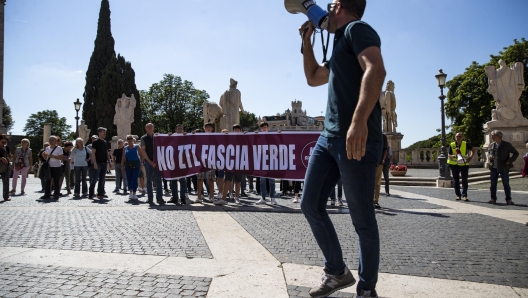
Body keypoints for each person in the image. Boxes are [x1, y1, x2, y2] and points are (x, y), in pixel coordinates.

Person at [298, 1, 386, 297]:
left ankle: (366, 290)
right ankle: (336, 272)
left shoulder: (356, 29)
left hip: (357, 138)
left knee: (362, 220)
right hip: (329, 138)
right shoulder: (336, 45)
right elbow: (313, 78)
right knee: (309, 204)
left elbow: (375, 69)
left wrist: (359, 121)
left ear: (338, 6)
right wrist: (306, 43)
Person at [487, 130, 519, 205]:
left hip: (503, 167)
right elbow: (489, 153)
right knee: (493, 184)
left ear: (499, 136)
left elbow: (516, 153)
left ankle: (509, 199)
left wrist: (510, 160)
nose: (492, 137)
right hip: (493, 167)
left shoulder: (506, 145)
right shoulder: (492, 145)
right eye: (491, 135)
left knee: (506, 184)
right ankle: (493, 198)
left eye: (493, 135)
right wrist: (490, 157)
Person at [141, 123, 166, 205]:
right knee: (148, 180)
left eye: (151, 126)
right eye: (148, 127)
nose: (150, 128)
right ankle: (150, 198)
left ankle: (159, 198)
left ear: (153, 128)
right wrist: (149, 161)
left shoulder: (158, 137)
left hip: (158, 162)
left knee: (159, 180)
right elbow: (143, 150)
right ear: (145, 128)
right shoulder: (143, 138)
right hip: (148, 162)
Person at [447, 132, 476, 201]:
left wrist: (470, 157)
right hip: (455, 165)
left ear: (462, 137)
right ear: (455, 137)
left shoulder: (465, 144)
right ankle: (458, 195)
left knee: (464, 181)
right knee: (456, 181)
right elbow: (449, 154)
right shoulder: (452, 144)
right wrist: (454, 156)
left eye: (460, 136)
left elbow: (473, 150)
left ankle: (464, 195)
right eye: (457, 136)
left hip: (464, 165)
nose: (458, 138)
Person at [255, 122, 277, 205]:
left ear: (268, 128)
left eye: (265, 127)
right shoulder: (259, 137)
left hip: (271, 161)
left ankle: (273, 198)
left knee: (272, 181)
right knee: (262, 181)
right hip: (262, 161)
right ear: (260, 129)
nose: (264, 129)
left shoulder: (272, 136)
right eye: (262, 128)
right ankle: (263, 198)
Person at [194, 123, 216, 204]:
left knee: (210, 179)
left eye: (210, 127)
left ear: (212, 129)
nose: (208, 129)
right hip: (201, 161)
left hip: (210, 160)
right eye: (207, 127)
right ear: (204, 129)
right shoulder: (200, 137)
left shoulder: (215, 137)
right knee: (199, 179)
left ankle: (211, 197)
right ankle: (199, 197)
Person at [168, 124, 188, 205]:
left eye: (181, 129)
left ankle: (183, 197)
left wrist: (190, 135)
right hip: (173, 161)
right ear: (175, 130)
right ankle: (175, 197)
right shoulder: (172, 137)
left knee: (182, 180)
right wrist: (168, 136)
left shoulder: (185, 137)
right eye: (178, 129)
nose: (180, 130)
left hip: (182, 161)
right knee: (173, 181)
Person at [89, 127, 110, 200]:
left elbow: (107, 152)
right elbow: (93, 153)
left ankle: (100, 194)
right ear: (99, 132)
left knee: (102, 179)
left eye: (105, 132)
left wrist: (109, 162)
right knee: (94, 179)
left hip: (104, 163)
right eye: (103, 132)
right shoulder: (95, 142)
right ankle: (91, 194)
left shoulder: (105, 142)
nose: (104, 133)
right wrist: (94, 163)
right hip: (98, 163)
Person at [42, 136, 65, 200]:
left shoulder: (59, 148)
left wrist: (52, 156)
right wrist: (44, 155)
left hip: (57, 166)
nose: (51, 141)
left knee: (56, 181)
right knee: (48, 180)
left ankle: (56, 194)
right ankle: (47, 194)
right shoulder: (47, 148)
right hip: (49, 166)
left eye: (52, 140)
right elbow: (46, 158)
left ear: (55, 141)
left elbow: (61, 157)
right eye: (50, 140)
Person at [122, 135, 143, 200]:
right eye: (128, 139)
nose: (130, 140)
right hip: (128, 166)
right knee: (129, 179)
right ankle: (130, 192)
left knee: (134, 179)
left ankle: (134, 193)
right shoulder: (125, 148)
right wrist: (122, 167)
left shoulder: (137, 147)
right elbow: (123, 158)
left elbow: (141, 155)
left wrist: (141, 164)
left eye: (131, 139)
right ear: (127, 140)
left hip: (136, 165)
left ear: (133, 140)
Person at [373, 134, 387, 209]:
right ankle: (369, 200)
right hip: (369, 162)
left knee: (377, 183)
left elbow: (385, 149)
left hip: (379, 163)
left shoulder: (383, 137)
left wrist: (383, 159)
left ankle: (375, 201)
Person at [0, 134, 11, 201]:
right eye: (2, 142)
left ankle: (6, 196)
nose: (4, 144)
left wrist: (8, 157)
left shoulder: (6, 147)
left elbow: (8, 155)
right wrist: (1, 158)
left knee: (6, 181)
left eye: (5, 142)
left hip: (5, 166)